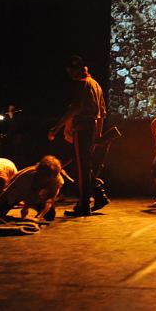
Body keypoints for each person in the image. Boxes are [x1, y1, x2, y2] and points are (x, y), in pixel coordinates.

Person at [48, 55, 108, 216]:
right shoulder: (96, 84)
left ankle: (83, 205)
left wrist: (57, 127)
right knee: (85, 166)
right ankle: (98, 195)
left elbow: (75, 108)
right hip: (92, 127)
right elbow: (102, 112)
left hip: (83, 127)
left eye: (71, 71)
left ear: (79, 69)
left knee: (82, 168)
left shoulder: (82, 84)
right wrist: (99, 133)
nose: (70, 75)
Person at [0, 155, 65, 222]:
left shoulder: (57, 181)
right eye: (41, 177)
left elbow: (50, 201)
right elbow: (7, 192)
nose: (43, 179)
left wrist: (38, 217)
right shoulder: (27, 176)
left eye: (45, 178)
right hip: (17, 191)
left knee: (50, 215)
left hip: (36, 194)